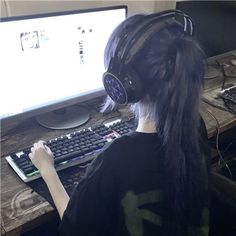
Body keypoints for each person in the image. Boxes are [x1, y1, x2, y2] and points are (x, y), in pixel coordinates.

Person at [29, 10, 210, 236]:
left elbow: (74, 228)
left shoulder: (117, 157)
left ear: (124, 84)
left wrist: (47, 169)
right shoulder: (196, 127)